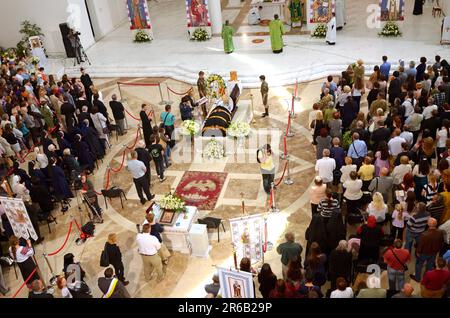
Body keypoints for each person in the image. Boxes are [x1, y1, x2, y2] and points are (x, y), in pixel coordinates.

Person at [410, 218, 445, 282]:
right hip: (434, 253)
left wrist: (418, 252)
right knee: (430, 265)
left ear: (428, 224)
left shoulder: (424, 234)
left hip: (423, 253)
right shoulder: (440, 232)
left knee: (419, 265)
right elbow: (442, 242)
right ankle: (426, 277)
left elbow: (420, 246)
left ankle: (417, 278)